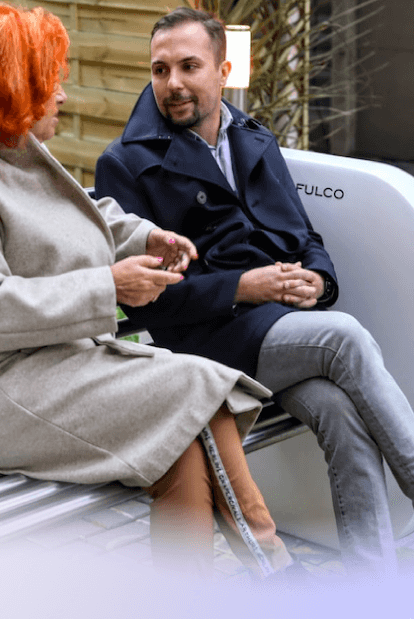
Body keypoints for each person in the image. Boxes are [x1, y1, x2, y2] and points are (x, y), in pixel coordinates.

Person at [0, 2, 297, 579]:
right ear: (13, 88)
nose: (63, 96)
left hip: (53, 368)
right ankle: (278, 574)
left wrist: (147, 235)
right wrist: (107, 287)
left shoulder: (15, 156)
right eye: (51, 83)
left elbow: (88, 217)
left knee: (183, 437)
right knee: (195, 386)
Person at [94, 6, 414, 576]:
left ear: (223, 69)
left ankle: (375, 587)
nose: (174, 84)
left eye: (189, 66)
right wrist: (245, 285)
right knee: (344, 340)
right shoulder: (126, 164)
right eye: (160, 69)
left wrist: (318, 276)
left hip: (277, 328)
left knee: (341, 410)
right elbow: (153, 300)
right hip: (206, 346)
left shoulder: (254, 138)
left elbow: (305, 235)